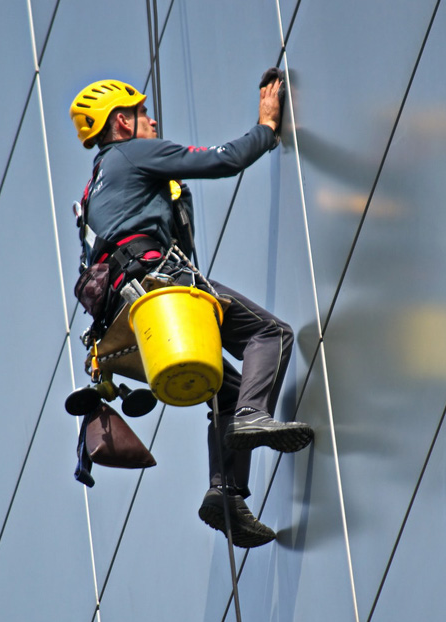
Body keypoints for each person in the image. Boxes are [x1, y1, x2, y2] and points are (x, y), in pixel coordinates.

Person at [68, 75, 312, 548]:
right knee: (272, 335)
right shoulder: (130, 154)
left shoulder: (95, 187)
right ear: (122, 122)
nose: (152, 120)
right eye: (142, 113)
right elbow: (223, 160)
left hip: (126, 318)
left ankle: (226, 495)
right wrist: (266, 127)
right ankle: (253, 417)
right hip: (160, 287)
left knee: (228, 388)